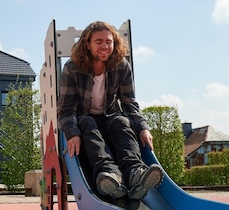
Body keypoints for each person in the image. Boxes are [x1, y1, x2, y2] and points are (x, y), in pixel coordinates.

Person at [57, 21, 163, 200]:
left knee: (122, 122)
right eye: (99, 42)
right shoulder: (73, 68)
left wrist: (143, 127)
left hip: (110, 117)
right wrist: (71, 132)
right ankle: (110, 176)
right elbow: (66, 108)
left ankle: (135, 174)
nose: (105, 46)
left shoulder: (121, 66)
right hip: (85, 118)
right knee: (88, 123)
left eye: (109, 41)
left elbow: (129, 103)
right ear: (87, 44)